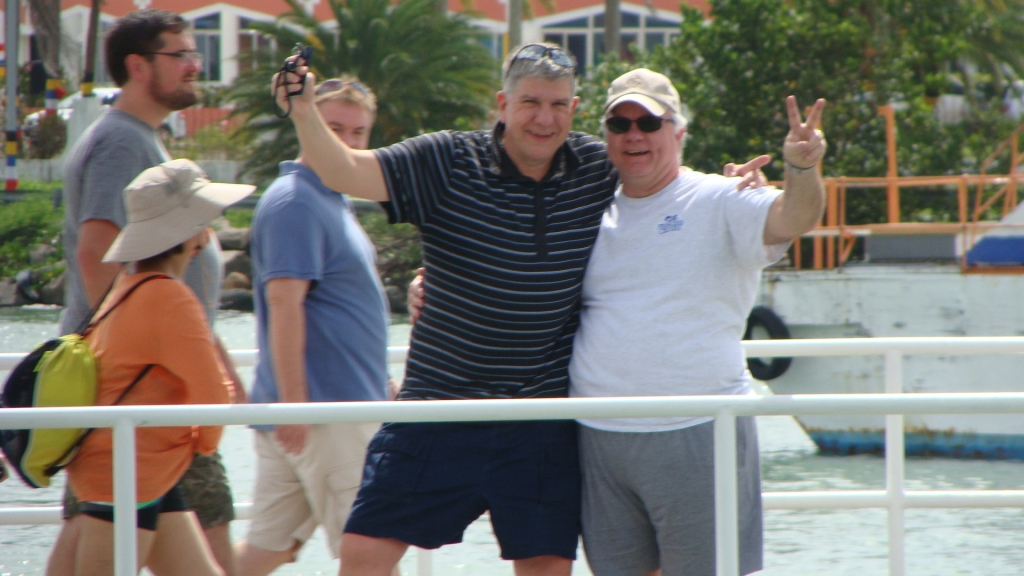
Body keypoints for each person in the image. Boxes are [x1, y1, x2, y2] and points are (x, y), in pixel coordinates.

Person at [275, 43, 769, 576]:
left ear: (575, 110)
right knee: (364, 553)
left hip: (540, 417)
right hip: (440, 407)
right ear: (502, 104)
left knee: (547, 565)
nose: (544, 117)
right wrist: (303, 111)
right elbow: (345, 169)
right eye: (531, 102)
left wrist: (744, 183)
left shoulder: (593, 166)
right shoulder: (445, 159)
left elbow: (657, 160)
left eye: (558, 105)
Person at [567, 69, 826, 576]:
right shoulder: (586, 209)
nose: (634, 134)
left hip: (699, 428)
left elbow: (794, 218)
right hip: (599, 436)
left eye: (649, 121)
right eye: (619, 124)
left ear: (679, 133)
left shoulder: (722, 197)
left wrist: (801, 168)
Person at [50, 10, 242, 576]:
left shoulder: (139, 140)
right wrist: (141, 349)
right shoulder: (121, 145)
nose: (194, 65)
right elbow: (95, 254)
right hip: (151, 406)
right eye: (180, 55)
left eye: (194, 54)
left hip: (142, 404)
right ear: (138, 66)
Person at [65, 159, 254, 576]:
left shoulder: (125, 290)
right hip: (130, 475)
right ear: (191, 234)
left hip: (131, 470)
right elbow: (213, 402)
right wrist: (201, 445)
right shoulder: (171, 299)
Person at [233, 77, 390, 576]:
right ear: (309, 123)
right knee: (372, 553)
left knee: (266, 554)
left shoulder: (331, 197)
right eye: (334, 127)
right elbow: (284, 303)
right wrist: (296, 404)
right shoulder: (296, 201)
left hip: (320, 411)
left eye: (358, 133)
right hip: (325, 417)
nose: (347, 142)